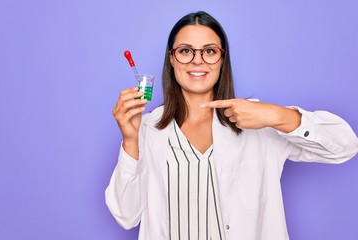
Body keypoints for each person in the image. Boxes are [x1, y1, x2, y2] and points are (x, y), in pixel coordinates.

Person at [106, 11, 358, 240]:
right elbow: (125, 216)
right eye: (185, 51)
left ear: (222, 59)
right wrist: (130, 141)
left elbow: (346, 146)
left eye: (209, 51)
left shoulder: (258, 119)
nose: (197, 60)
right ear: (171, 59)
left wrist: (277, 115)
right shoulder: (150, 129)